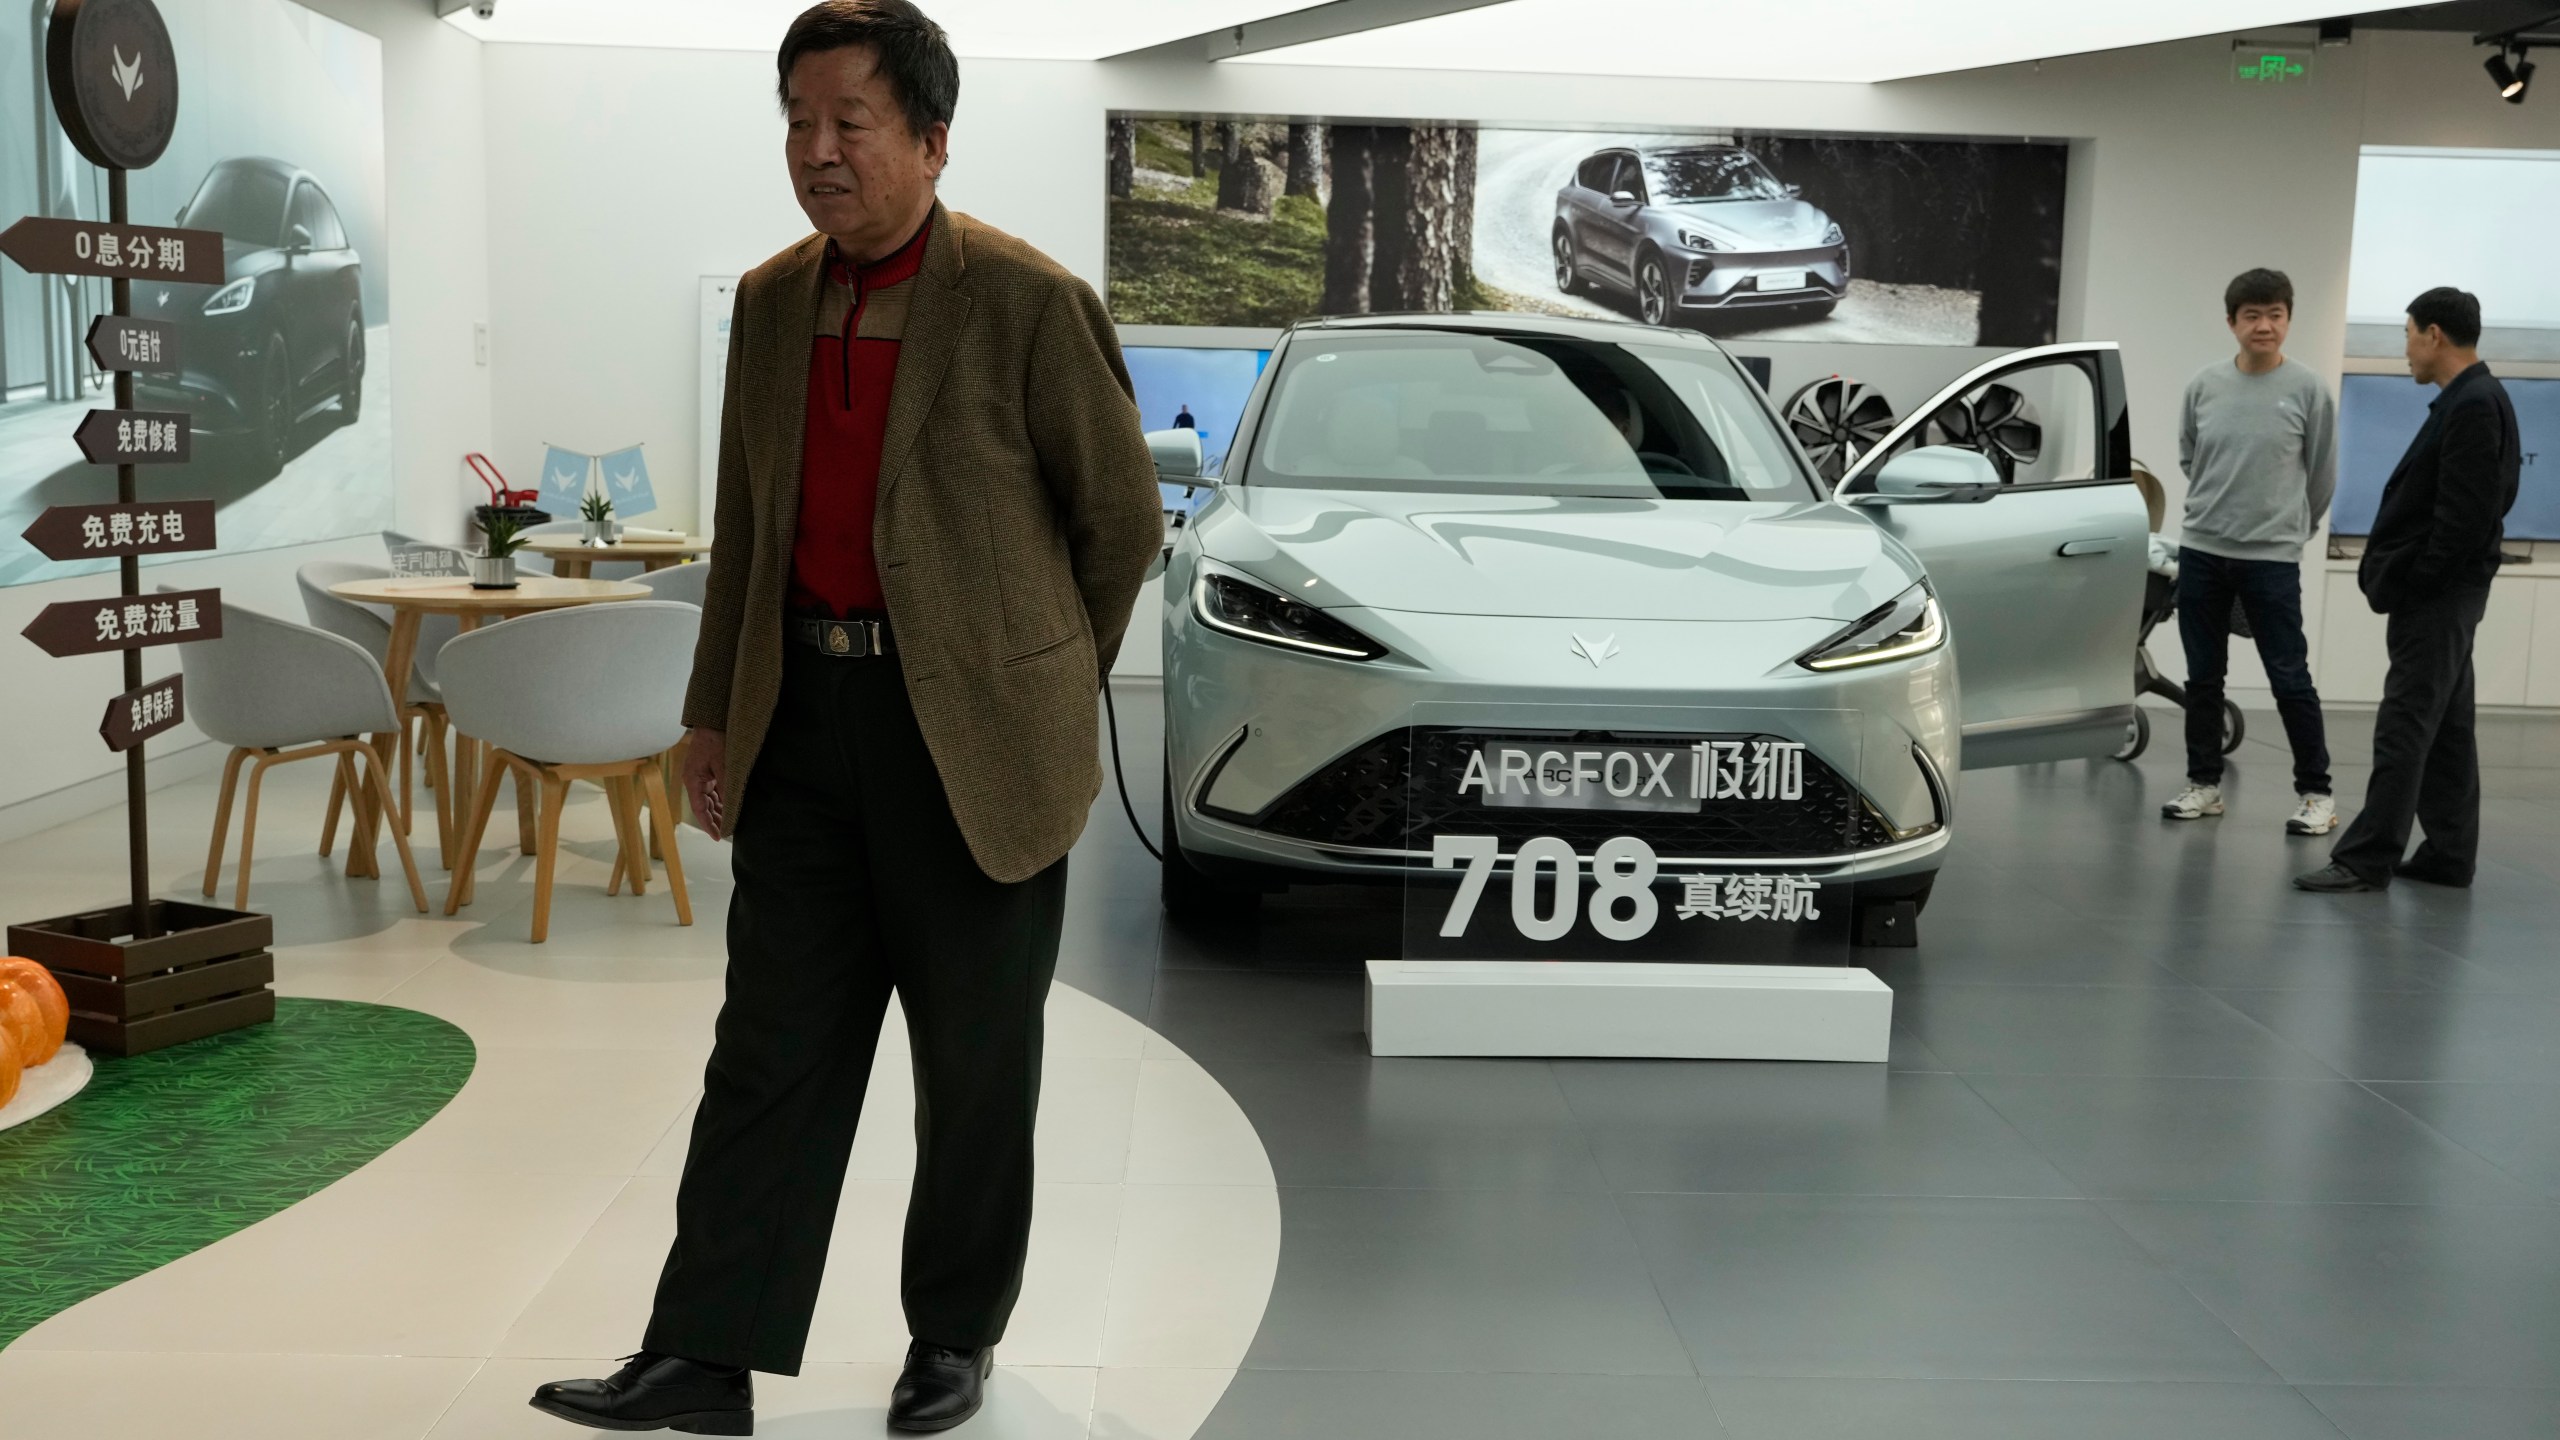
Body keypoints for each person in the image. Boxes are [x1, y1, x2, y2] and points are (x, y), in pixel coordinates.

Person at [528, 2, 1163, 1432]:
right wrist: (710, 716)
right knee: (772, 1046)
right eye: (797, 124)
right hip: (802, 717)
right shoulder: (769, 300)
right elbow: (746, 528)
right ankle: (705, 1352)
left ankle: (953, 1337)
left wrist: (1043, 674)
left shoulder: (1025, 299)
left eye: (849, 125)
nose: (818, 153)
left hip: (973, 744)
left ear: (933, 141)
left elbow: (1119, 524)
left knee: (974, 1059)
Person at [2297, 287, 2520, 893]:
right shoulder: (2476, 397)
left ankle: (2367, 857)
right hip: (2448, 594)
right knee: (2446, 726)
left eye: (2407, 334)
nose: (2406, 348)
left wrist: (2418, 580)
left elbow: (2466, 517)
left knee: (2406, 723)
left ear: (2435, 336)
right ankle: (2449, 854)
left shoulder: (2473, 404)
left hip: (2438, 599)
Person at [2158, 269, 2339, 835]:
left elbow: (2323, 473)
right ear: (2232, 322)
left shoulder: (2308, 389)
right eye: (2252, 316)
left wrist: (2290, 529)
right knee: (2203, 678)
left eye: (2276, 315)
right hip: (2203, 551)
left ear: (2288, 319)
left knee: (2290, 677)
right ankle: (2203, 785)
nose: (2265, 326)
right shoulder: (2204, 385)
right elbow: (2191, 458)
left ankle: (2317, 794)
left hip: (2273, 558)